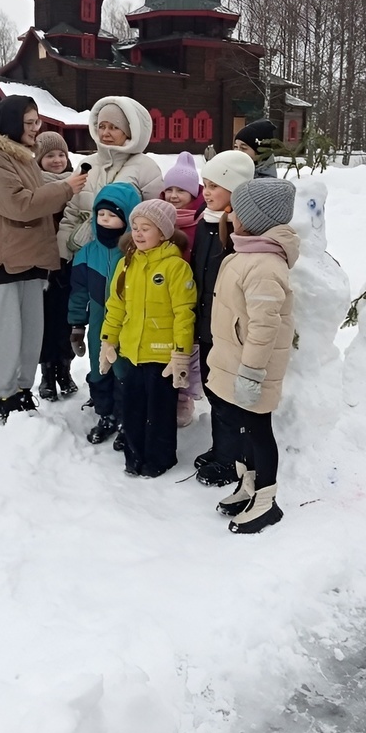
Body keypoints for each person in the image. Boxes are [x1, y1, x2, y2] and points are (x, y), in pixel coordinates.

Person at [0, 95, 87, 421]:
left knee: (32, 331)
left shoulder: (24, 159)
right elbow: (20, 204)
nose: (36, 128)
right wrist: (67, 189)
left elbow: (40, 197)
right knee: (9, 332)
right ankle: (6, 394)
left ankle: (23, 390)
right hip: (3, 259)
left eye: (37, 121)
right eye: (29, 122)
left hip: (32, 257)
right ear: (13, 123)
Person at [206, 178, 299, 534]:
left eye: (238, 210)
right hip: (236, 361)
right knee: (245, 428)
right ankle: (248, 485)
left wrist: (251, 372)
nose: (230, 214)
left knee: (259, 430)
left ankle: (267, 500)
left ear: (255, 219)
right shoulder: (247, 253)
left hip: (252, 366)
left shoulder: (263, 264)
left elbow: (264, 327)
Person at [99, 200, 197, 477]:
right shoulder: (126, 264)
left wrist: (180, 354)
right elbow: (116, 306)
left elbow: (184, 313)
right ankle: (134, 456)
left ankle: (159, 460)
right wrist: (108, 341)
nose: (139, 234)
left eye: (146, 228)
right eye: (135, 228)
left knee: (160, 412)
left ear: (163, 233)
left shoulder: (175, 267)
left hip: (162, 356)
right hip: (132, 351)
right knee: (132, 408)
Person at [190, 150, 255, 485]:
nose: (207, 192)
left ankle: (231, 460)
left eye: (216, 185)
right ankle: (220, 449)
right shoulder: (206, 221)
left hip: (228, 329)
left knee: (228, 395)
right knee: (212, 389)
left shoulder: (242, 230)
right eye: (205, 184)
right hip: (205, 322)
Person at [68, 182, 142, 447]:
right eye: (101, 214)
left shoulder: (136, 254)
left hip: (129, 323)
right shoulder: (86, 254)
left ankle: (125, 419)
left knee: (123, 369)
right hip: (99, 320)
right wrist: (77, 324)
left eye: (113, 215)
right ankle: (105, 415)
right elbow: (78, 292)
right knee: (99, 369)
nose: (106, 220)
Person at [57, 96, 163, 261]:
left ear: (128, 132)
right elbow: (71, 214)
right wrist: (63, 257)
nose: (105, 133)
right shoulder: (86, 165)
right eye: (102, 126)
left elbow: (155, 219)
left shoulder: (146, 168)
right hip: (84, 258)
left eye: (114, 127)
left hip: (126, 257)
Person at [161, 151, 204, 426]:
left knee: (189, 347)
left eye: (181, 190)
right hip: (163, 294)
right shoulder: (159, 219)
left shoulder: (203, 221)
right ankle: (165, 392)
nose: (174, 195)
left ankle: (184, 396)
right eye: (170, 189)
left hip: (191, 293)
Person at [35, 131, 79, 401]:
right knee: (44, 320)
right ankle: (47, 374)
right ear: (39, 160)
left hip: (70, 262)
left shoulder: (78, 183)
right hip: (42, 262)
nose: (56, 160)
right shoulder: (35, 186)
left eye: (61, 154)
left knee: (68, 319)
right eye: (49, 155)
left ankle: (65, 368)